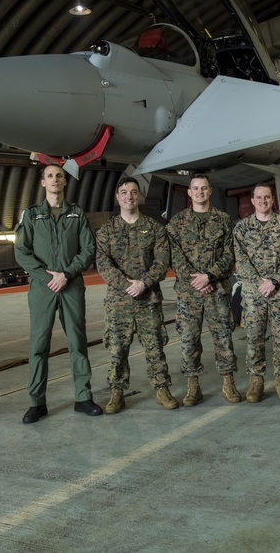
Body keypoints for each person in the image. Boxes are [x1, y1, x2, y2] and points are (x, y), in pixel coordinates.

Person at [14, 164, 102, 423]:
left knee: (77, 341)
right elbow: (21, 251)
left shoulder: (76, 214)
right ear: (43, 183)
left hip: (71, 285)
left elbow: (88, 249)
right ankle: (36, 403)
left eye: (59, 176)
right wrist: (45, 276)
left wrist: (67, 274)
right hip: (43, 289)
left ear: (65, 182)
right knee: (39, 345)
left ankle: (83, 398)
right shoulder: (31, 215)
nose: (55, 180)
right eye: (50, 176)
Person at [96, 177, 179, 413]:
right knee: (117, 350)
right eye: (124, 192)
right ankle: (116, 393)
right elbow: (104, 265)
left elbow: (162, 262)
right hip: (119, 302)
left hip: (148, 300)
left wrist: (144, 283)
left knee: (155, 347)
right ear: (117, 197)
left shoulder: (155, 229)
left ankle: (162, 389)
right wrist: (126, 285)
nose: (129, 197)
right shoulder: (106, 232)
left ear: (139, 196)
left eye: (133, 192)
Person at [166, 173, 241, 405]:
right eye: (195, 188)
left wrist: (209, 276)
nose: (199, 192)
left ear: (210, 192)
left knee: (224, 338)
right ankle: (193, 386)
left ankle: (228, 383)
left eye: (204, 188)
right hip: (189, 294)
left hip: (217, 291)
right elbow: (174, 256)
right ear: (189, 193)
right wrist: (196, 281)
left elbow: (230, 254)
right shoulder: (177, 223)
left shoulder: (224, 220)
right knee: (189, 340)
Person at [233, 183, 280, 403]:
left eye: (267, 197)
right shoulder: (241, 229)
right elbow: (240, 261)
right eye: (258, 197)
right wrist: (258, 282)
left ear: (273, 200)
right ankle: (256, 381)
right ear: (252, 201)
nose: (263, 201)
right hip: (253, 296)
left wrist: (274, 281)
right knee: (254, 339)